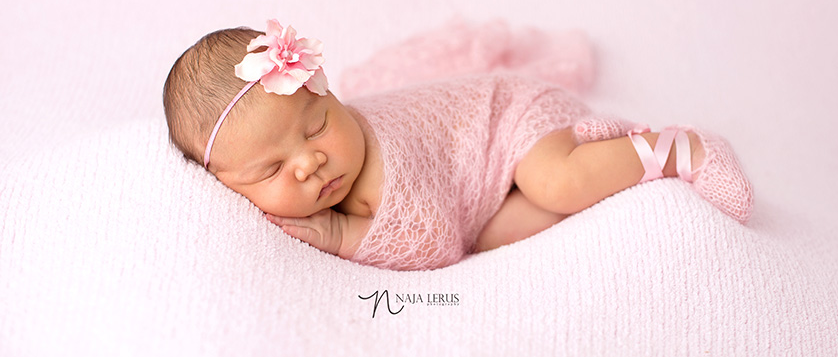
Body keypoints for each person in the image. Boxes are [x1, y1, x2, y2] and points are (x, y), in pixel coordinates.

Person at [163, 19, 753, 271]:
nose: (311, 161)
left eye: (317, 126)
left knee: (556, 183)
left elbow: (438, 245)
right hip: (477, 189)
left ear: (330, 93)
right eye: (271, 169)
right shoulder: (311, 168)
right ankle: (609, 160)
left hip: (510, 117)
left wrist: (343, 236)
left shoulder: (376, 170)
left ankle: (683, 149)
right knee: (511, 232)